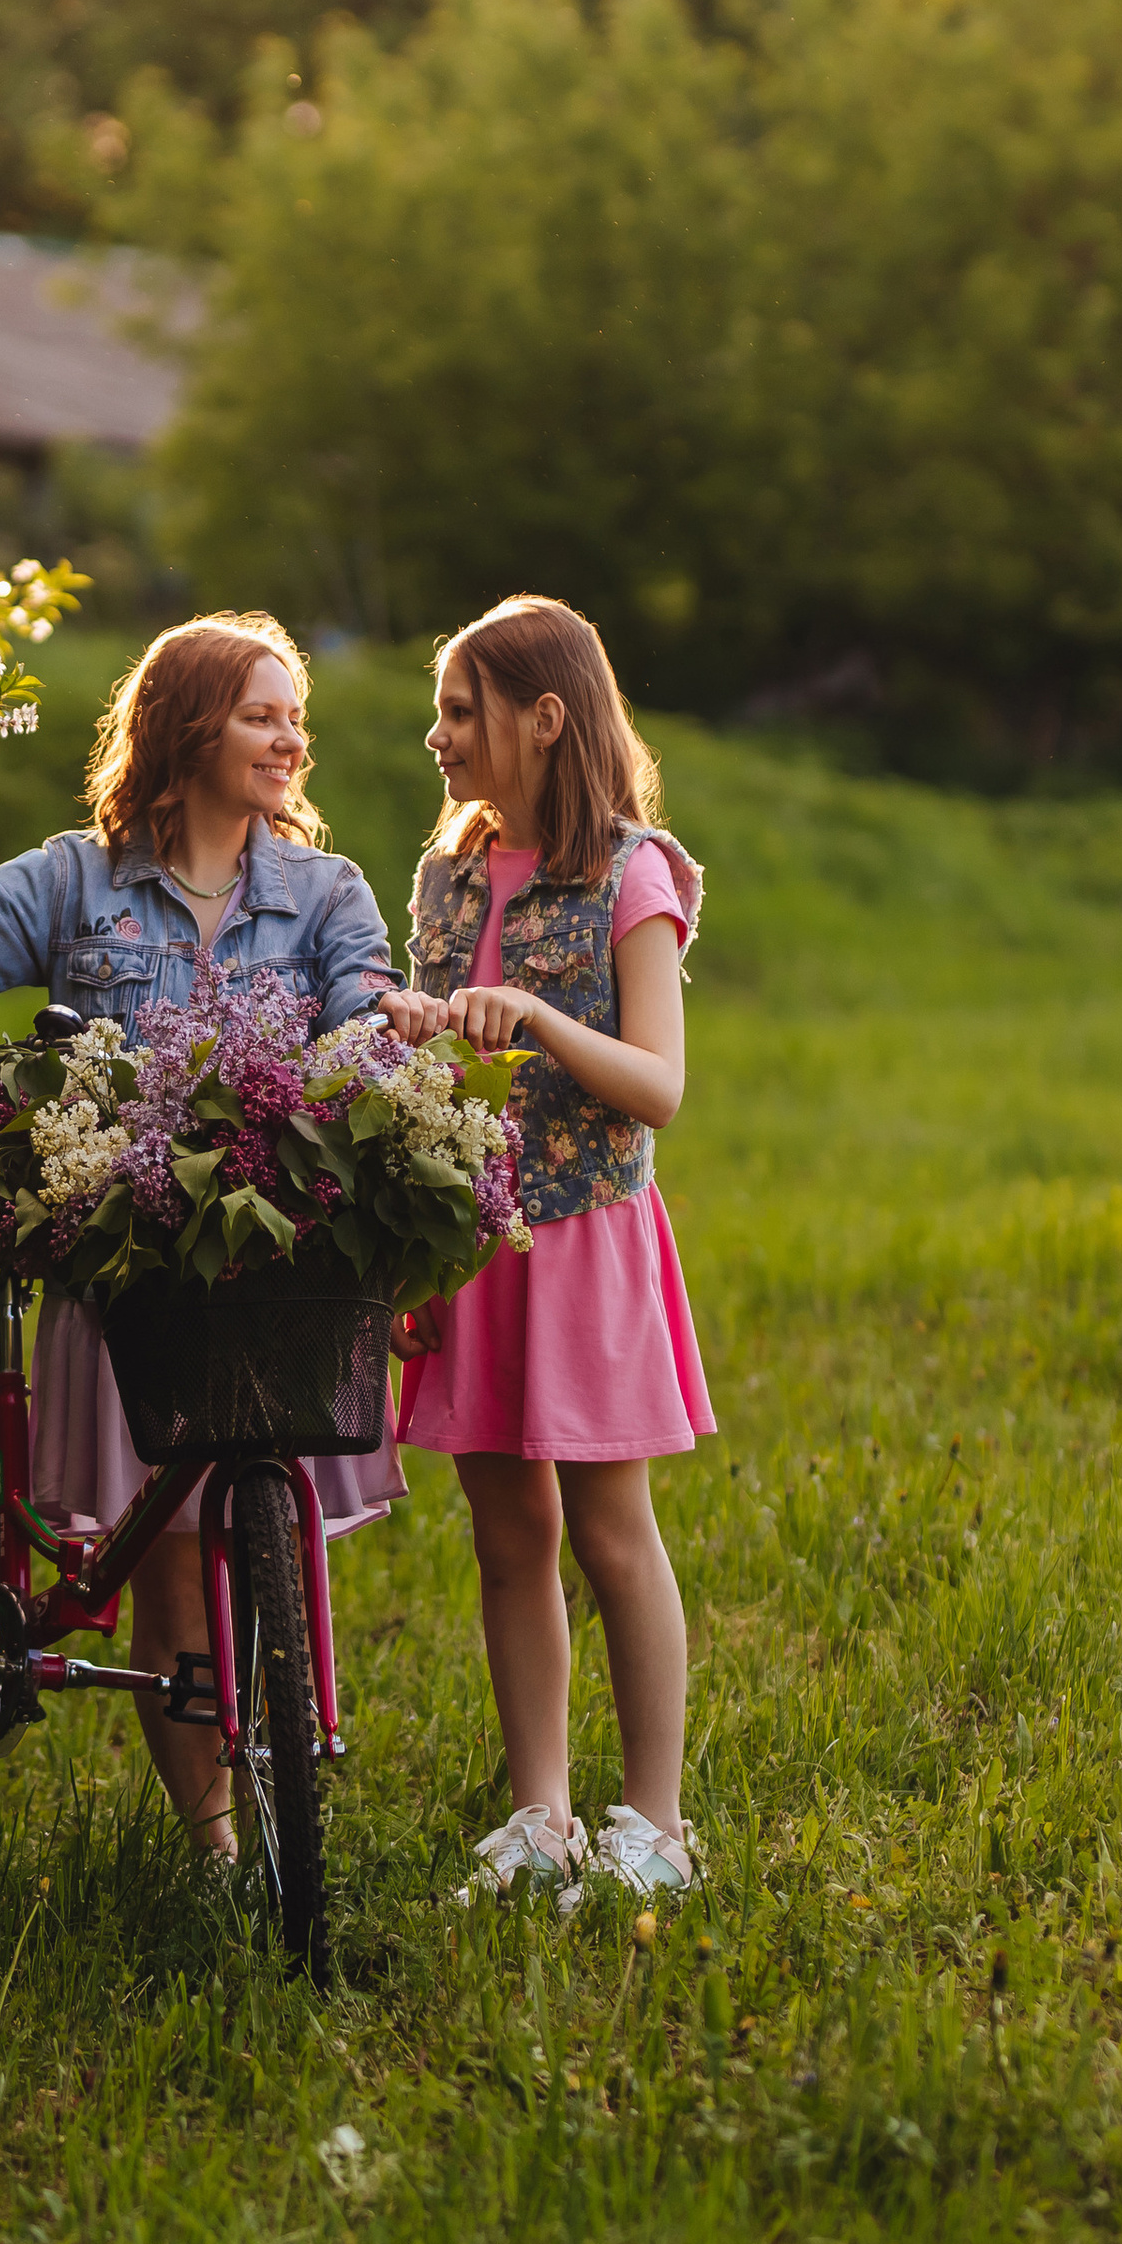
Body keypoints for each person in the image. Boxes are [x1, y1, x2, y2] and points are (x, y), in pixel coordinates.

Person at [0, 612, 406, 1853]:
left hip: (263, 1269)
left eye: (296, 714)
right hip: (130, 1275)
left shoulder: (326, 894)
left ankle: (274, 1785)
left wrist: (393, 1047)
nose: (291, 736)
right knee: (174, 1561)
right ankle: (214, 1851)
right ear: (190, 728)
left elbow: (364, 1016)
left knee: (257, 1528)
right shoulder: (75, 879)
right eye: (262, 713)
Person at [381, 594, 713, 1903]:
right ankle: (541, 1816)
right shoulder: (449, 875)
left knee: (609, 1531)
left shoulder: (632, 873)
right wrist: (417, 1025)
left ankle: (656, 1824)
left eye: (461, 711)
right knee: (506, 1532)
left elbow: (658, 1084)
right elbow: (439, 1058)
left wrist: (533, 1021)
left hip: (585, 1239)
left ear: (545, 716)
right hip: (472, 1244)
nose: (439, 737)